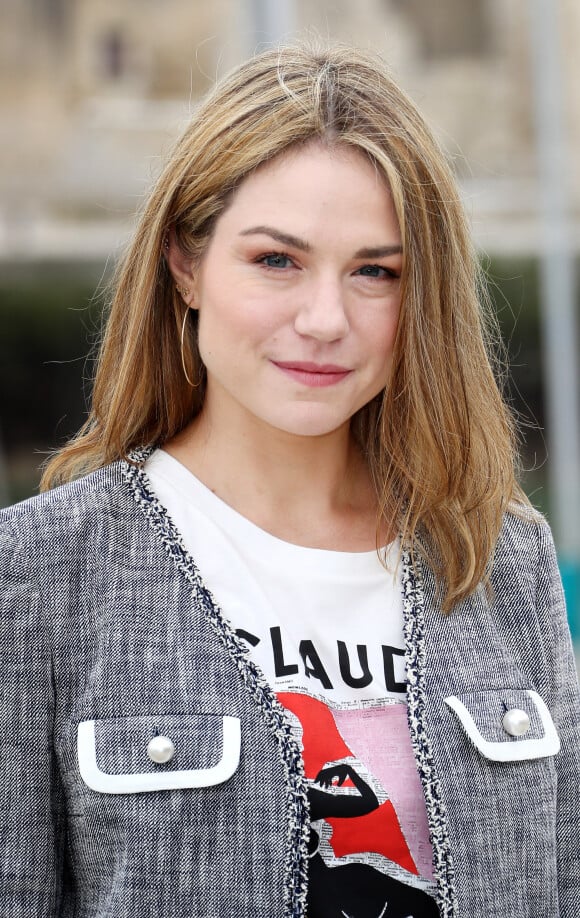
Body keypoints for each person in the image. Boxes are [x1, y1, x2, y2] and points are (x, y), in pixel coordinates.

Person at [0, 42, 578, 918]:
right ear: (185, 265)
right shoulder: (37, 575)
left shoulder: (503, 560)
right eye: (277, 260)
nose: (325, 320)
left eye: (375, 272)